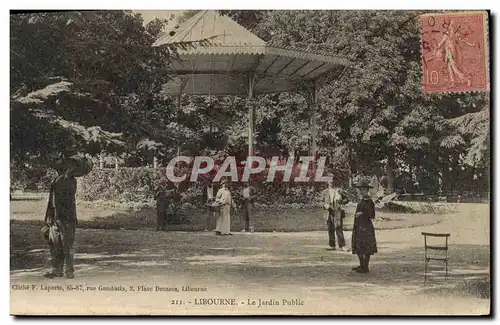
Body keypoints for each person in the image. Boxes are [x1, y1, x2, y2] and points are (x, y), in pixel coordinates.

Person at [43, 155, 89, 279]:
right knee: (55, 244)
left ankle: (69, 271)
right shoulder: (56, 180)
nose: (57, 166)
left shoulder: (71, 180)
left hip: (67, 218)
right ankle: (57, 270)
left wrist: (69, 173)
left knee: (67, 245)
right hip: (54, 217)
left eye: (59, 164)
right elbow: (51, 201)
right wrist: (48, 216)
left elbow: (67, 197)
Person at [351, 178, 378, 273]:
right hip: (358, 225)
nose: (362, 191)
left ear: (367, 190)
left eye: (364, 189)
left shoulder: (369, 201)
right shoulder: (361, 200)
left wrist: (362, 213)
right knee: (358, 246)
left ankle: (365, 267)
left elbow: (372, 215)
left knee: (366, 247)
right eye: (361, 189)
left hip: (366, 227)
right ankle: (362, 265)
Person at [321, 179, 348, 251]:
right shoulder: (324, 192)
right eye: (329, 182)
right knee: (330, 229)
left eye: (332, 182)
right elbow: (321, 201)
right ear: (327, 183)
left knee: (339, 228)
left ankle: (342, 245)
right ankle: (332, 245)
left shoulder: (338, 190)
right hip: (329, 212)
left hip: (337, 212)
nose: (331, 183)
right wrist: (325, 205)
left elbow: (346, 199)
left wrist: (341, 202)